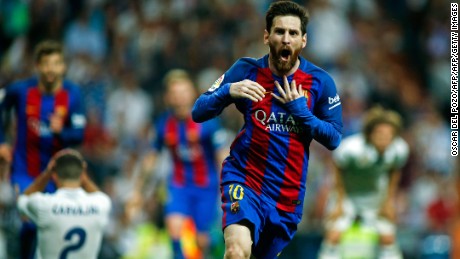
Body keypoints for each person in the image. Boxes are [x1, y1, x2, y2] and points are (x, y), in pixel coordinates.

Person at [191, 1, 343, 258]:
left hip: (286, 195)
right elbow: (198, 111)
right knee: (237, 251)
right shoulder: (245, 70)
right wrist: (228, 91)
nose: (286, 39)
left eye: (293, 33)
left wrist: (302, 112)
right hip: (244, 179)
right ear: (266, 36)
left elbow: (334, 138)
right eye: (279, 31)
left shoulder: (320, 82)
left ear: (303, 40)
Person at [0, 40, 86, 258]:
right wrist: (2, 141)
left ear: (63, 67)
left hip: (58, 175)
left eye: (56, 63)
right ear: (37, 66)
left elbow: (79, 135)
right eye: (46, 63)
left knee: (52, 226)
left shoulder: (73, 94)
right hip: (24, 171)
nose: (51, 69)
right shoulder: (20, 91)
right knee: (28, 220)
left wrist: (61, 132)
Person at [142, 69, 229, 258]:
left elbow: (222, 154)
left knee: (202, 241)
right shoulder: (163, 124)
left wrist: (230, 184)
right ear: (168, 97)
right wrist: (139, 190)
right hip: (179, 186)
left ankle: (213, 244)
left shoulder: (208, 120)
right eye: (175, 93)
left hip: (206, 186)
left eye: (184, 92)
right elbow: (151, 157)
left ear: (192, 93)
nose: (180, 98)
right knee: (174, 229)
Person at [318, 106, 409, 259]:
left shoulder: (399, 149)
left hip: (375, 196)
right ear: (370, 134)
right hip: (348, 195)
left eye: (389, 135)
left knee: (388, 239)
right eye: (380, 134)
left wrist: (388, 201)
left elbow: (395, 170)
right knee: (333, 236)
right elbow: (337, 166)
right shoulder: (352, 148)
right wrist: (339, 202)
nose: (384, 139)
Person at [17, 148, 111, 259]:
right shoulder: (101, 205)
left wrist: (47, 173)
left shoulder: (44, 205)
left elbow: (23, 199)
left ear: (54, 175)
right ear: (82, 173)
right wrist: (83, 175)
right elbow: (99, 195)